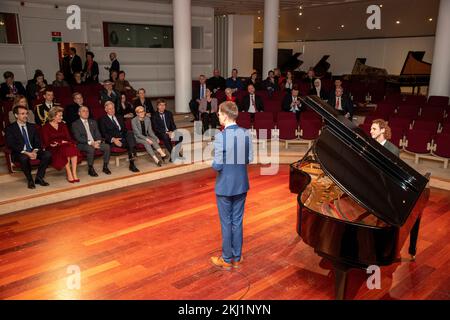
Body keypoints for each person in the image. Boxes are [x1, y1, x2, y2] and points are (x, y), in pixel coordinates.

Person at [210, 101, 253, 269]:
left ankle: (227, 259)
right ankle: (237, 256)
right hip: (241, 184)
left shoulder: (221, 136)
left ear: (226, 116)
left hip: (225, 186)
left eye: (219, 114)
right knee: (237, 221)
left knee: (226, 222)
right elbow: (249, 159)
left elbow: (218, 165)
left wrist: (212, 163)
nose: (218, 116)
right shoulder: (246, 133)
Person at [5, 105, 51, 189]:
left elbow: (37, 142)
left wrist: (34, 151)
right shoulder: (10, 128)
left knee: (47, 154)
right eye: (22, 114)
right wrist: (26, 153)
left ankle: (39, 178)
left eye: (26, 113)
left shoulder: (32, 126)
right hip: (20, 152)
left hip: (32, 150)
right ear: (16, 115)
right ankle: (30, 180)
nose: (25, 115)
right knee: (24, 158)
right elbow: (11, 144)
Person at [41, 107, 81, 183]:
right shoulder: (45, 127)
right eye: (59, 116)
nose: (61, 117)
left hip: (65, 144)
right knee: (66, 149)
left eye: (61, 115)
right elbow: (46, 142)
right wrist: (53, 144)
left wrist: (66, 142)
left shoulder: (63, 125)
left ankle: (74, 173)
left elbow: (68, 138)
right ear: (53, 116)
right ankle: (69, 173)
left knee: (71, 148)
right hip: (54, 147)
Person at [99, 101, 140, 173]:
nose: (112, 110)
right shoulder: (102, 119)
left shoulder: (119, 117)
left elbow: (124, 130)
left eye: (113, 108)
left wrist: (126, 136)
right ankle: (132, 162)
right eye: (110, 109)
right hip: (114, 140)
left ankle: (132, 161)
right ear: (106, 110)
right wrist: (114, 139)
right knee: (131, 143)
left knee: (130, 133)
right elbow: (103, 134)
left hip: (123, 137)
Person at [71, 106, 112, 177]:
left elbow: (98, 134)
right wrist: (91, 143)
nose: (86, 112)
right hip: (82, 144)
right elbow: (78, 138)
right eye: (83, 111)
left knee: (107, 147)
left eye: (87, 111)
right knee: (90, 149)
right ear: (79, 113)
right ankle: (90, 168)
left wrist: (98, 141)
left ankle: (105, 167)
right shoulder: (75, 124)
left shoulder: (93, 122)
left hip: (95, 142)